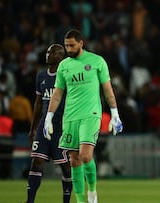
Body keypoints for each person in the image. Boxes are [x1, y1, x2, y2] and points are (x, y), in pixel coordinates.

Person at [43, 29, 123, 203]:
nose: (69, 49)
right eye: (66, 46)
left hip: (91, 114)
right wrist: (48, 117)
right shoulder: (64, 65)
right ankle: (80, 200)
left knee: (86, 156)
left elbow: (107, 89)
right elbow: (57, 94)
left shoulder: (96, 61)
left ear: (81, 43)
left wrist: (114, 113)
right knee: (74, 161)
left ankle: (92, 193)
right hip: (70, 116)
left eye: (72, 45)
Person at [26, 44, 72, 203]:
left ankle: (66, 200)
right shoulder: (41, 77)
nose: (48, 54)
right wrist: (33, 128)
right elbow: (38, 103)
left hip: (61, 128)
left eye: (52, 52)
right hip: (44, 127)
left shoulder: (67, 76)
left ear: (60, 56)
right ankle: (30, 201)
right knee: (36, 161)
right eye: (47, 52)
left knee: (66, 167)